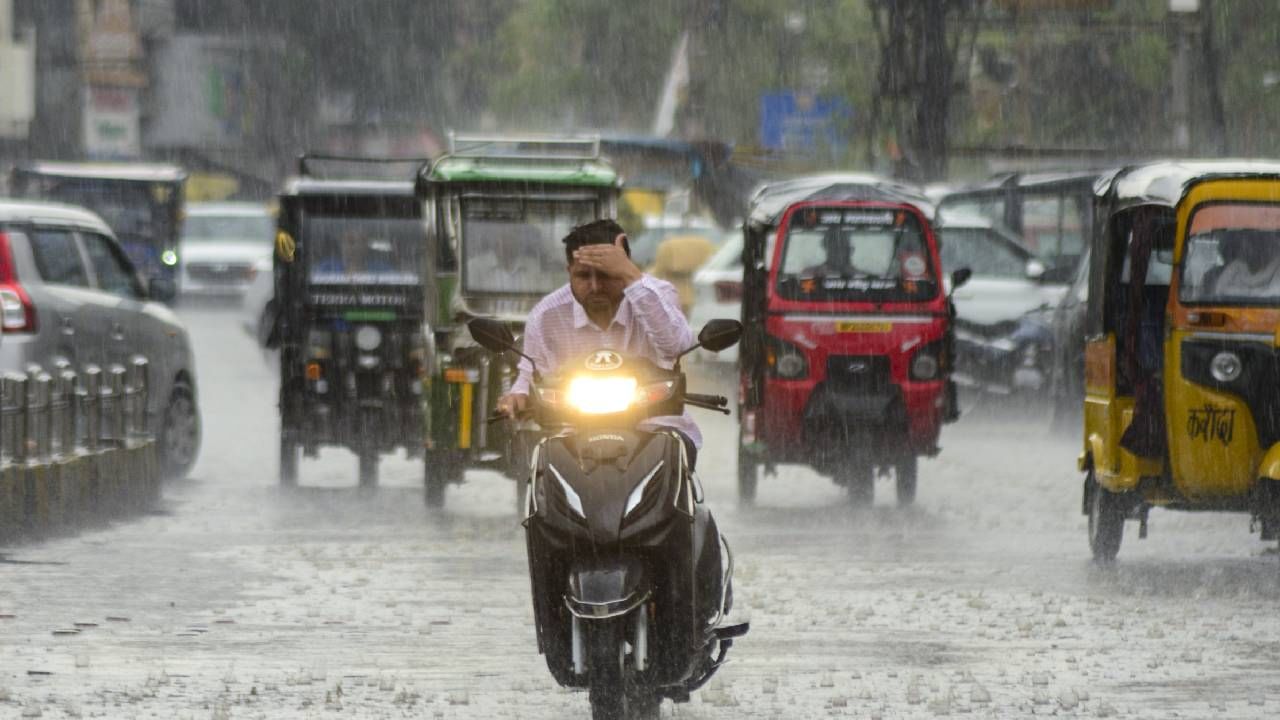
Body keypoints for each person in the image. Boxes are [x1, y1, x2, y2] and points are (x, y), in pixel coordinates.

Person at [495, 218, 702, 467]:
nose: (594, 287)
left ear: (625, 268)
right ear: (568, 272)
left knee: (674, 460)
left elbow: (676, 345)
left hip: (657, 432)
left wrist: (631, 275)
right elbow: (531, 378)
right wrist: (517, 397)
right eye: (583, 276)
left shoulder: (656, 293)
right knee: (540, 468)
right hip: (572, 439)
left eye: (605, 275)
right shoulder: (545, 315)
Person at [648, 232, 717, 316]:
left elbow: (658, 271)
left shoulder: (667, 247)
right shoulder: (702, 248)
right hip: (689, 294)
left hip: (670, 294)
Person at [1210, 229, 1280, 298]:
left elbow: (1274, 294)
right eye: (1247, 245)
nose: (1249, 249)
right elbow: (1220, 290)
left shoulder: (1277, 267)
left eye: (1256, 243)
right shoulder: (1236, 266)